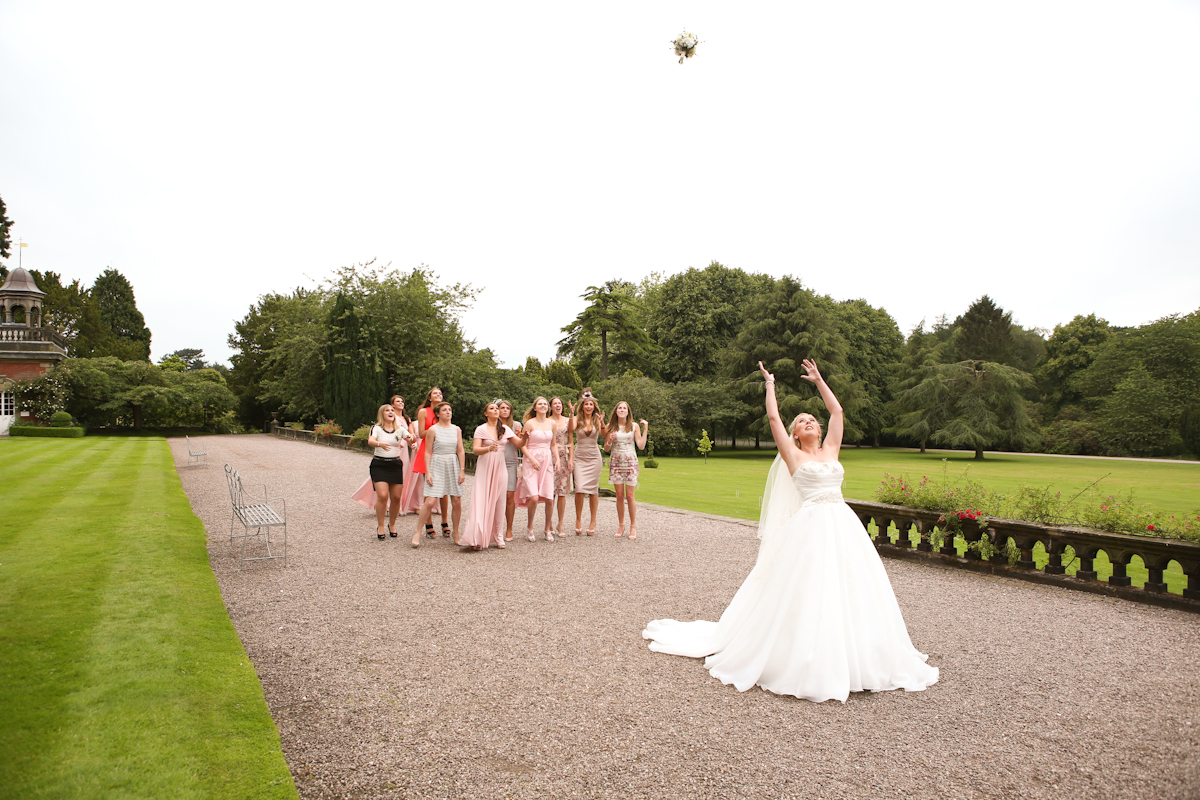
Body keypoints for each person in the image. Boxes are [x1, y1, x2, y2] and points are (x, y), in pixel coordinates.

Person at [642, 359, 940, 703]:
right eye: (802, 422)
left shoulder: (831, 450)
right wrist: (770, 385)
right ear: (795, 434)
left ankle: (861, 654)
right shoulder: (793, 457)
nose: (810, 422)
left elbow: (838, 411)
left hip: (843, 524)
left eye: (812, 419)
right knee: (809, 588)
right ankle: (806, 655)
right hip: (810, 526)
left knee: (853, 586)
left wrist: (818, 380)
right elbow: (772, 419)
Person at [460, 401, 521, 551]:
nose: (495, 410)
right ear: (486, 413)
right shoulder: (480, 429)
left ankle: (498, 536)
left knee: (500, 500)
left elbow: (519, 444)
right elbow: (475, 450)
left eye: (496, 408)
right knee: (482, 500)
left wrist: (525, 437)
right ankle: (478, 537)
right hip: (485, 467)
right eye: (492, 408)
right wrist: (488, 448)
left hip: (500, 467)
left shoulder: (505, 429)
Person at [411, 402, 466, 547]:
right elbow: (427, 452)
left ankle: (456, 532)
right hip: (437, 464)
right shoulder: (432, 430)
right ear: (438, 414)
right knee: (429, 501)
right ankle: (417, 532)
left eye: (449, 410)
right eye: (444, 410)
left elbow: (460, 450)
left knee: (457, 502)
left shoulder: (457, 430)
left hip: (453, 464)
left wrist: (462, 469)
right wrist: (428, 472)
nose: (448, 412)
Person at [351, 395, 416, 513]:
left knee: (401, 478)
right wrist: (383, 443)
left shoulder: (406, 419)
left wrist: (412, 441)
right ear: (392, 404)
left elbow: (410, 435)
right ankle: (385, 504)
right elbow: (375, 438)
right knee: (384, 480)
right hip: (391, 451)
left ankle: (397, 505)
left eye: (402, 401)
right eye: (398, 401)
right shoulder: (389, 419)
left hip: (403, 451)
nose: (401, 403)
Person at [514, 396, 559, 541]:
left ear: (548, 407)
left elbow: (553, 444)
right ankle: (530, 527)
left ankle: (547, 529)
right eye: (540, 404)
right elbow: (522, 445)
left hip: (546, 461)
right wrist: (531, 459)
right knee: (533, 497)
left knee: (549, 498)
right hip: (531, 460)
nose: (543, 406)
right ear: (535, 408)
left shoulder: (552, 424)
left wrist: (557, 459)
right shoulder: (529, 424)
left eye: (545, 404)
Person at [410, 387, 451, 537]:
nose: (438, 395)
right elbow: (421, 433)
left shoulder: (445, 411)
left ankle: (445, 521)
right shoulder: (424, 412)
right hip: (427, 450)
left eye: (440, 393)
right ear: (429, 397)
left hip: (443, 450)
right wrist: (436, 427)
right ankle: (428, 523)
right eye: (435, 393)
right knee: (429, 488)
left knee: (445, 491)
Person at [604, 400, 648, 540]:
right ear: (616, 411)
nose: (622, 410)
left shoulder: (634, 426)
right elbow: (606, 448)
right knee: (619, 496)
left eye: (624, 408)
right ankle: (621, 525)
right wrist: (610, 440)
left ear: (628, 411)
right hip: (616, 462)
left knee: (630, 496)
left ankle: (633, 526)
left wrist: (646, 429)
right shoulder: (611, 426)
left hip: (630, 462)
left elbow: (640, 445)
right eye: (619, 408)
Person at [366, 404, 411, 539]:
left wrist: (412, 441)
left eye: (392, 410)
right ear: (382, 414)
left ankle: (392, 524)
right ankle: (380, 525)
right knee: (383, 495)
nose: (391, 412)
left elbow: (409, 438)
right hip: (379, 464)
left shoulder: (400, 429)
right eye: (387, 410)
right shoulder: (377, 429)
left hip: (395, 465)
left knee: (396, 497)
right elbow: (371, 441)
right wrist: (380, 444)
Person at [570, 389, 605, 535]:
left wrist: (602, 422)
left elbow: (604, 434)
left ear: (594, 406)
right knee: (579, 489)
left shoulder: (597, 419)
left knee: (593, 490)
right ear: (582, 406)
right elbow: (570, 429)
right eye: (586, 404)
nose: (589, 406)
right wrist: (571, 414)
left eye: (591, 404)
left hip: (594, 457)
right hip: (580, 457)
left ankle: (593, 521)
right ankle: (578, 519)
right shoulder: (577, 419)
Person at [497, 400, 524, 542]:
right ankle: (496, 527)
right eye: (502, 408)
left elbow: (520, 446)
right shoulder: (493, 425)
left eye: (508, 408)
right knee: (496, 496)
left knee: (509, 496)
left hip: (510, 462)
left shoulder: (516, 425)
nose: (505, 410)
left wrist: (521, 436)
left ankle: (509, 529)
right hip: (495, 462)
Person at [549, 396, 574, 536]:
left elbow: (571, 439)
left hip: (564, 457)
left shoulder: (567, 420)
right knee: (550, 492)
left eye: (559, 403)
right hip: (551, 456)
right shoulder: (548, 421)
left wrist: (571, 459)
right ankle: (549, 522)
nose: (557, 405)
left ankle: (560, 523)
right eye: (555, 403)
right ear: (551, 407)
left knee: (562, 492)